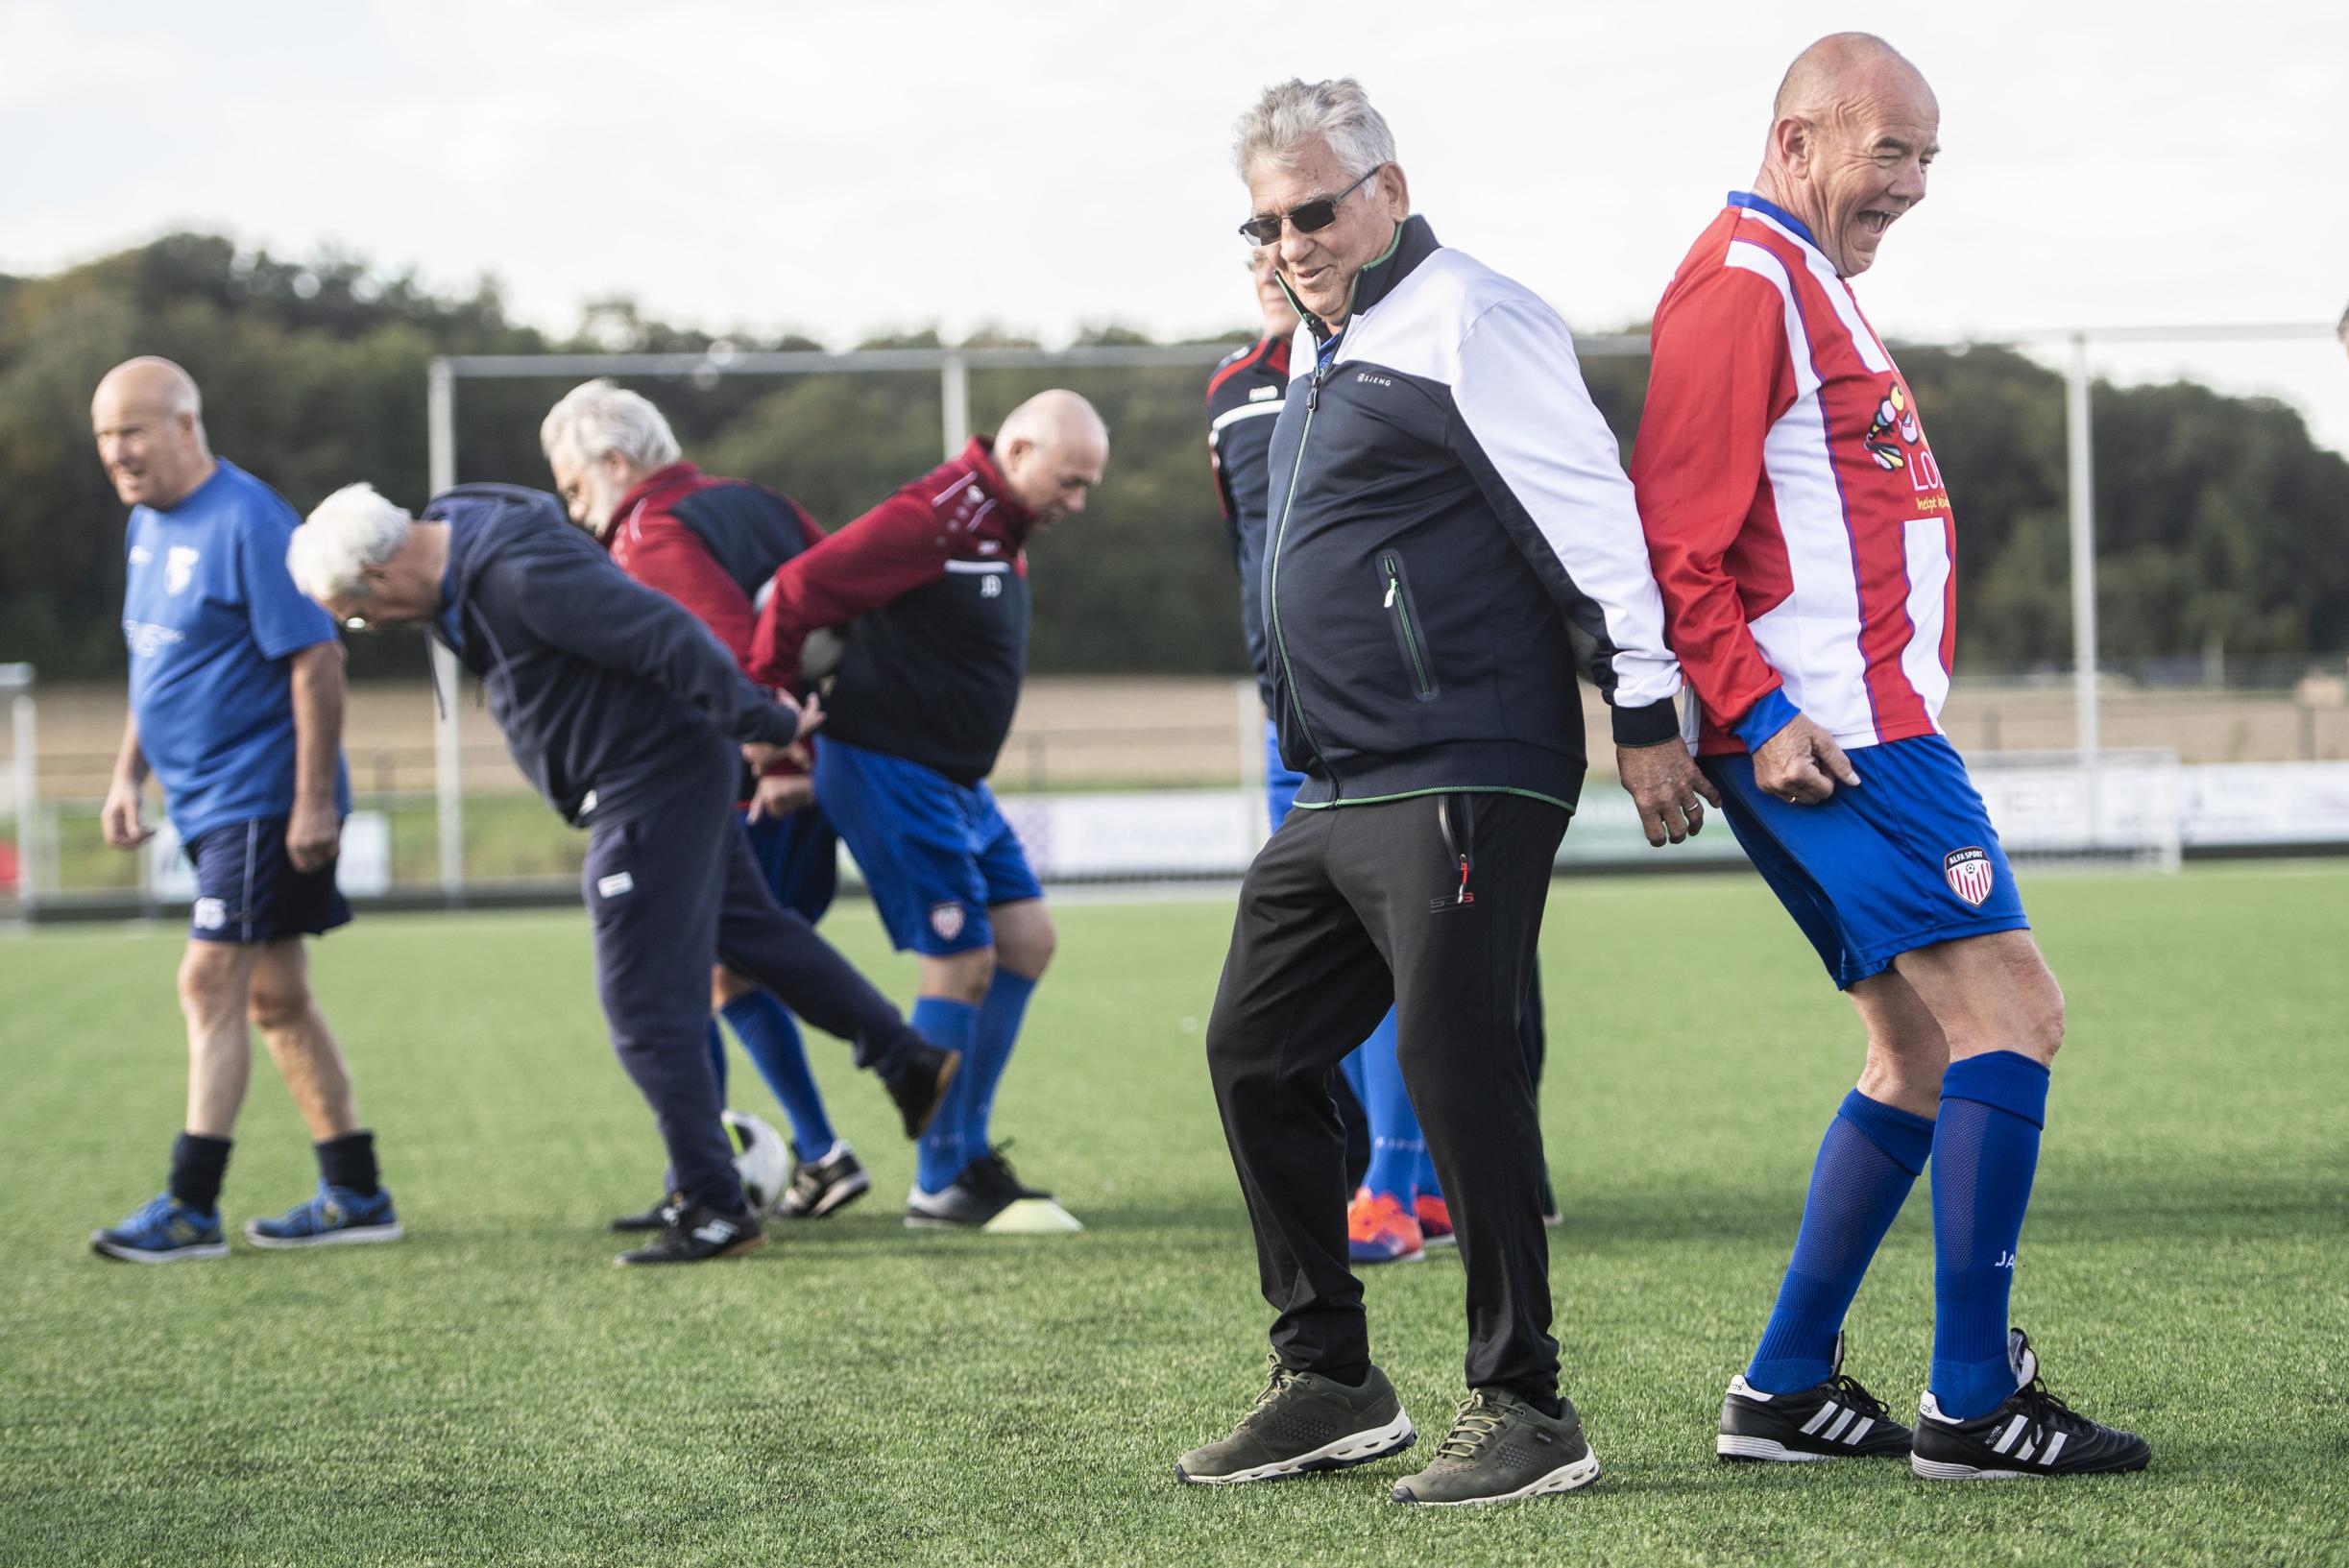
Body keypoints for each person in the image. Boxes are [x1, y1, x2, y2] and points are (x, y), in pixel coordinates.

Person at [1177, 79, 1716, 1507]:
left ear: (1389, 192)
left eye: (1318, 208)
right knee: (1255, 1049)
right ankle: (1331, 1381)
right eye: (1269, 219)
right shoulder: (1315, 346)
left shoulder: (1471, 315)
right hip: (1339, 781)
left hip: (1469, 755)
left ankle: (1527, 1403)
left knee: (1447, 1058)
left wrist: (1645, 711)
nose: (1293, 238)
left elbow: (1587, 514)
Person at [1632, 33, 2149, 1480]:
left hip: (1850, 727)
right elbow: (1674, 533)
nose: (1912, 187)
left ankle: (1785, 1389)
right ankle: (1973, 1401)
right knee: (2014, 1015)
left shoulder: (1801, 283)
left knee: (1914, 1046)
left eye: (1927, 159)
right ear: (1794, 141)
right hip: (1839, 740)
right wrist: (1748, 700)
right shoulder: (1744, 282)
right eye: (1889, 154)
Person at [286, 481, 957, 1266]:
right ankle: (904, 1058)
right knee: (753, 933)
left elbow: (666, 633)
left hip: (652, 783)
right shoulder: (460, 540)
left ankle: (714, 1205)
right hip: (667, 772)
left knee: (643, 1005)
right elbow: (506, 502)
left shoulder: (517, 572)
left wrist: (764, 721)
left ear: (380, 574)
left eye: (359, 616)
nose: (373, 626)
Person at [750, 392, 1106, 1235]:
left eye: (1087, 485)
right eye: (1068, 481)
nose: (1077, 503)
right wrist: (777, 732)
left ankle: (967, 1150)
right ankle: (941, 1180)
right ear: (1016, 450)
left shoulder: (1002, 524)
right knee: (962, 960)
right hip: (890, 770)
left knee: (1026, 940)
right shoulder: (935, 515)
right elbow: (797, 591)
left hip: (953, 780)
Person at [86, 357, 400, 1262]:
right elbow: (158, 664)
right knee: (276, 998)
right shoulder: (145, 525)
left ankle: (190, 1207)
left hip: (261, 799)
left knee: (207, 982)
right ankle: (356, 1191)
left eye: (134, 431)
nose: (119, 453)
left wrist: (310, 802)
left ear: (187, 424)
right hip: (205, 804)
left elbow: (317, 661)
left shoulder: (252, 521)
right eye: (105, 437)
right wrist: (125, 775)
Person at [541, 378, 867, 1226]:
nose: (579, 515)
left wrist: (780, 756)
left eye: (577, 489)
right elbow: (843, 605)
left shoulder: (648, 534)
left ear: (616, 463)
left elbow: (727, 652)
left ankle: (752, 1167)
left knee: (694, 974)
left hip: (753, 781)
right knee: (732, 969)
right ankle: (793, 1154)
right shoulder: (759, 502)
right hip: (821, 760)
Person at [1208, 249, 1443, 1266]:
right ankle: (1406, 1180)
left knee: (1399, 954)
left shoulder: (1394, 362)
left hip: (1382, 715)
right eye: (1254, 242)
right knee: (1331, 952)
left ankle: (1392, 1188)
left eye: (1293, 239)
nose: (1273, 262)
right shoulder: (1226, 390)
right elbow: (1251, 547)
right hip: (1285, 715)